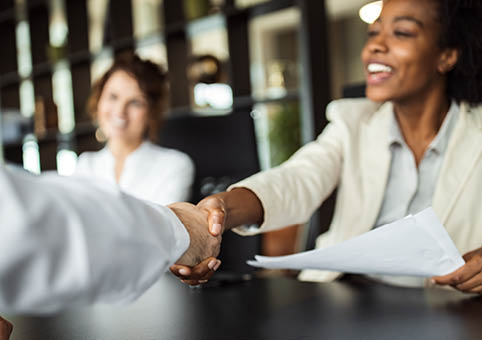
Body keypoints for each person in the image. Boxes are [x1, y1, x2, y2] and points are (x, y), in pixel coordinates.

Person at [171, 0, 482, 293]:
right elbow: (297, 179)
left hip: (448, 304)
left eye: (401, 32)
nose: (375, 45)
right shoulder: (353, 121)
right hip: (351, 298)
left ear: (447, 55)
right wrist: (221, 209)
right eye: (373, 32)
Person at [0, 165, 220, 315]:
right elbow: (33, 227)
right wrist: (182, 227)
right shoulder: (86, 162)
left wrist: (180, 228)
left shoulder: (173, 163)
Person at [74, 53, 194, 205]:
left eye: (135, 102)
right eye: (113, 97)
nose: (119, 112)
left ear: (152, 112)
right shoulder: (85, 165)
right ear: (98, 100)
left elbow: (159, 226)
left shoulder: (174, 165)